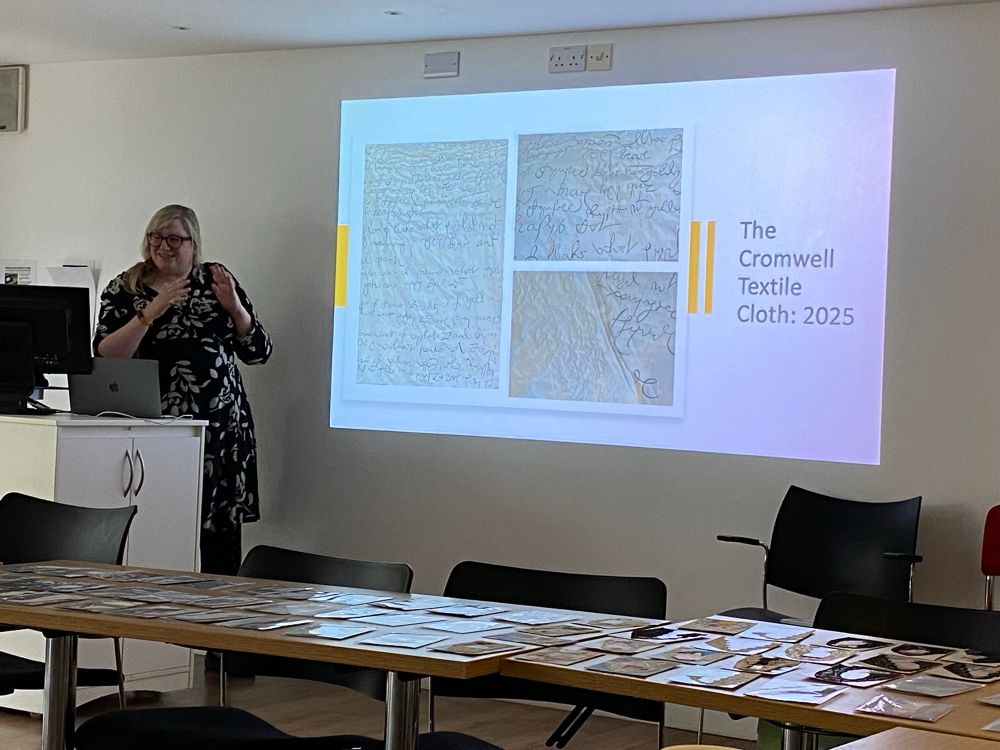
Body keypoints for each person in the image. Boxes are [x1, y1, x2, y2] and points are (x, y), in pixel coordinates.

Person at [94, 204, 272, 575]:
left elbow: (258, 353)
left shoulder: (217, 280)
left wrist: (236, 308)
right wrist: (152, 311)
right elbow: (107, 354)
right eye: (156, 237)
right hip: (160, 429)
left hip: (222, 428)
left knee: (220, 542)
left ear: (194, 244)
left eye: (174, 238)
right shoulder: (127, 287)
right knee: (162, 527)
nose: (164, 246)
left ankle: (219, 623)